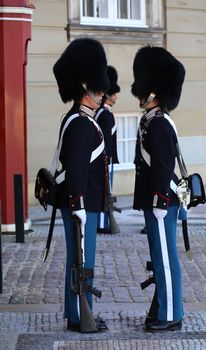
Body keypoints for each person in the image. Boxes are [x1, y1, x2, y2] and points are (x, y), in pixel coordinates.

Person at [53, 38, 109, 332]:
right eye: (98, 87)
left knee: (80, 260)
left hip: (82, 203)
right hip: (80, 205)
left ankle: (78, 311)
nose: (102, 93)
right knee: (81, 262)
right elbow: (76, 171)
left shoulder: (78, 119)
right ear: (85, 87)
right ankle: (78, 316)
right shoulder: (80, 123)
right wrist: (78, 208)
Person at [131, 46, 185, 332]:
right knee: (160, 256)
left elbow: (163, 167)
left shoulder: (160, 124)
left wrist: (160, 202)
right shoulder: (151, 120)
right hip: (155, 199)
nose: (140, 95)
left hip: (161, 200)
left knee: (165, 259)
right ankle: (162, 307)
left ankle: (171, 314)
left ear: (155, 92)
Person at [94, 66, 120, 234]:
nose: (116, 96)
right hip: (105, 159)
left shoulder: (102, 112)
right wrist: (107, 159)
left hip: (105, 159)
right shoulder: (105, 114)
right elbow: (105, 140)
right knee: (105, 192)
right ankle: (103, 223)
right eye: (114, 93)